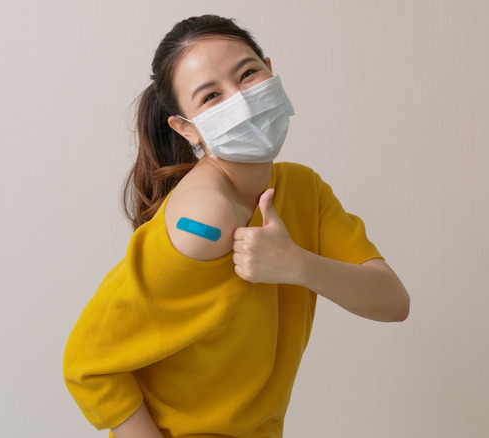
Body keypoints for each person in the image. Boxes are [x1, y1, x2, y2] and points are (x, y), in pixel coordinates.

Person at [63, 14, 409, 438]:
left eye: (248, 74)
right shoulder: (205, 221)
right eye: (210, 96)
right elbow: (87, 364)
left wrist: (296, 265)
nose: (241, 100)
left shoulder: (303, 188)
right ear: (187, 128)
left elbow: (392, 301)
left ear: (269, 68)